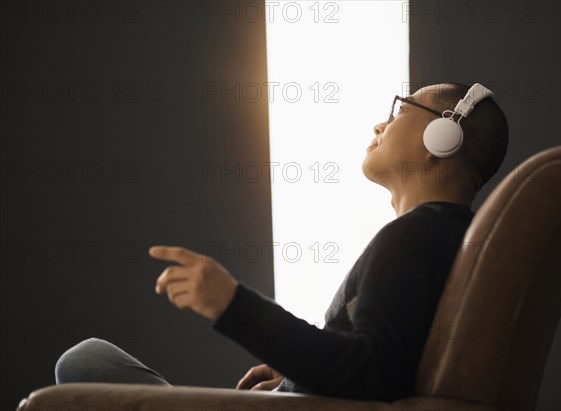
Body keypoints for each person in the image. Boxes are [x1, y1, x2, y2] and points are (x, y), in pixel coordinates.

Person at [54, 82, 509, 402]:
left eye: (401, 110)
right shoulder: (443, 235)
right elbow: (378, 359)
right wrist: (296, 373)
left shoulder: (415, 235)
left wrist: (231, 304)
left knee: (86, 361)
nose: (379, 124)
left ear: (441, 136)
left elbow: (372, 373)